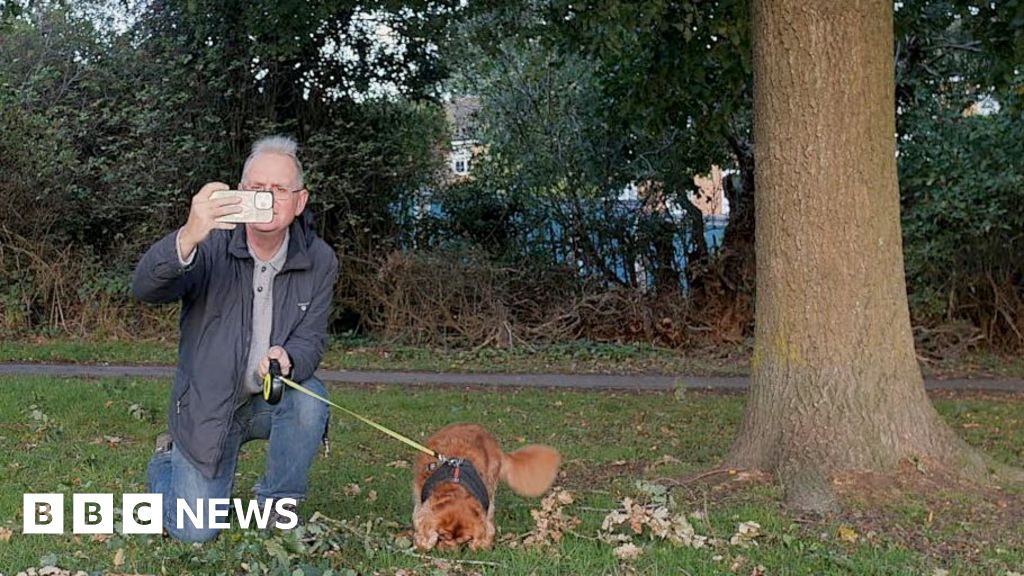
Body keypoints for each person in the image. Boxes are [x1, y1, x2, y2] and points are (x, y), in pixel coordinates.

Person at [133, 135, 337, 542]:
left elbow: (312, 339)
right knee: (196, 532)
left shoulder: (320, 260)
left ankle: (277, 506)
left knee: (310, 398)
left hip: (267, 401)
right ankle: (166, 464)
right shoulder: (209, 243)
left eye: (279, 189)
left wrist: (289, 356)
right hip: (210, 409)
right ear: (241, 193)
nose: (267, 198)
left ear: (300, 202)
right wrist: (189, 233)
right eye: (257, 188)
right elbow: (145, 288)